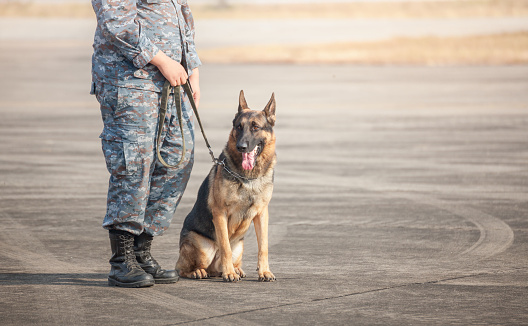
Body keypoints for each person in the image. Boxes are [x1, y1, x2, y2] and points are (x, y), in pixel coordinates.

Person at [90, 0, 201, 288]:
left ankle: (142, 249)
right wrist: (163, 61)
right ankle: (122, 260)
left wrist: (193, 70)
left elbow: (183, 18)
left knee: (179, 156)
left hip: (173, 81)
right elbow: (116, 20)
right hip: (129, 81)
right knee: (134, 163)